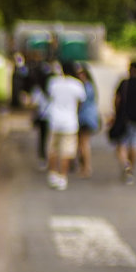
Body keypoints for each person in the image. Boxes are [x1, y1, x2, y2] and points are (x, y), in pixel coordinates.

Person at [42, 60, 86, 190]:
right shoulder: (77, 85)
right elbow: (80, 102)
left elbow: (50, 97)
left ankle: (52, 173)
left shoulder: (54, 82)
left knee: (53, 149)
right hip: (70, 122)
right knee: (66, 151)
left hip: (55, 120)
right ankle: (63, 176)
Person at [73, 62, 99, 177]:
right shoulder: (90, 87)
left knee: (83, 143)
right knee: (82, 142)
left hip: (84, 117)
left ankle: (86, 167)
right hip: (88, 117)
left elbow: (80, 103)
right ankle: (83, 166)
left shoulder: (85, 88)